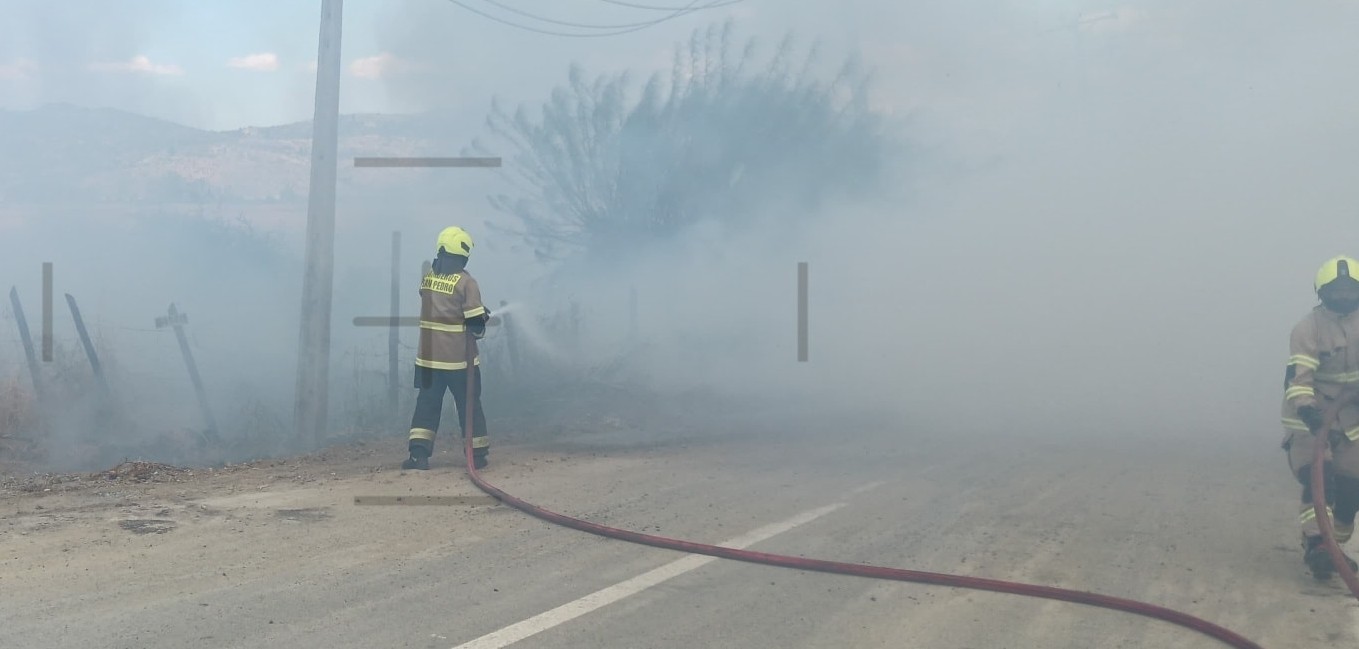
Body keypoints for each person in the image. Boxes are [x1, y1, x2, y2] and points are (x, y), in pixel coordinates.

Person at [1282, 255, 1359, 579]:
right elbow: (1298, 380)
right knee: (1320, 478)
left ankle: (1334, 547)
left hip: (1352, 420)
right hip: (1310, 419)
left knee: (1350, 494)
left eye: (1349, 289)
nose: (1343, 296)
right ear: (1322, 291)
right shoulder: (1308, 328)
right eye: (1335, 289)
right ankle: (1317, 544)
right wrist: (1311, 413)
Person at [402, 226, 492, 471]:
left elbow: (436, 303)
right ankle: (478, 455)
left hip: (428, 360)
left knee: (427, 405)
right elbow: (474, 326)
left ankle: (418, 455)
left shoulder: (428, 278)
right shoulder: (467, 283)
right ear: (463, 255)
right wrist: (482, 318)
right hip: (459, 362)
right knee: (469, 404)